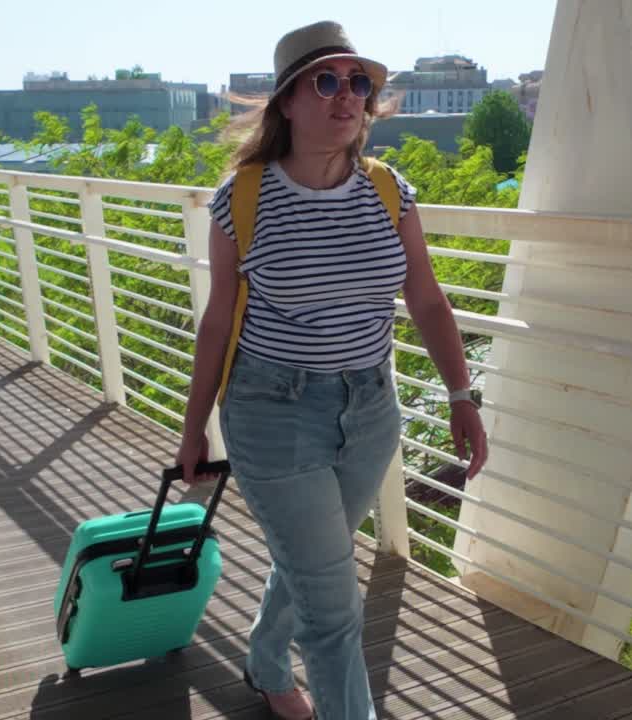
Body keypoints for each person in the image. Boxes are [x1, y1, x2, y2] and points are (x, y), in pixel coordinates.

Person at [174, 20, 488, 720]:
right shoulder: (243, 199)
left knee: (316, 561)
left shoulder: (388, 191)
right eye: (326, 80)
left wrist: (462, 394)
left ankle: (262, 659)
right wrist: (193, 429)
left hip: (370, 409)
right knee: (334, 604)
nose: (347, 96)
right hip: (273, 409)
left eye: (359, 83)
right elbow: (219, 321)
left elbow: (427, 298)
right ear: (288, 101)